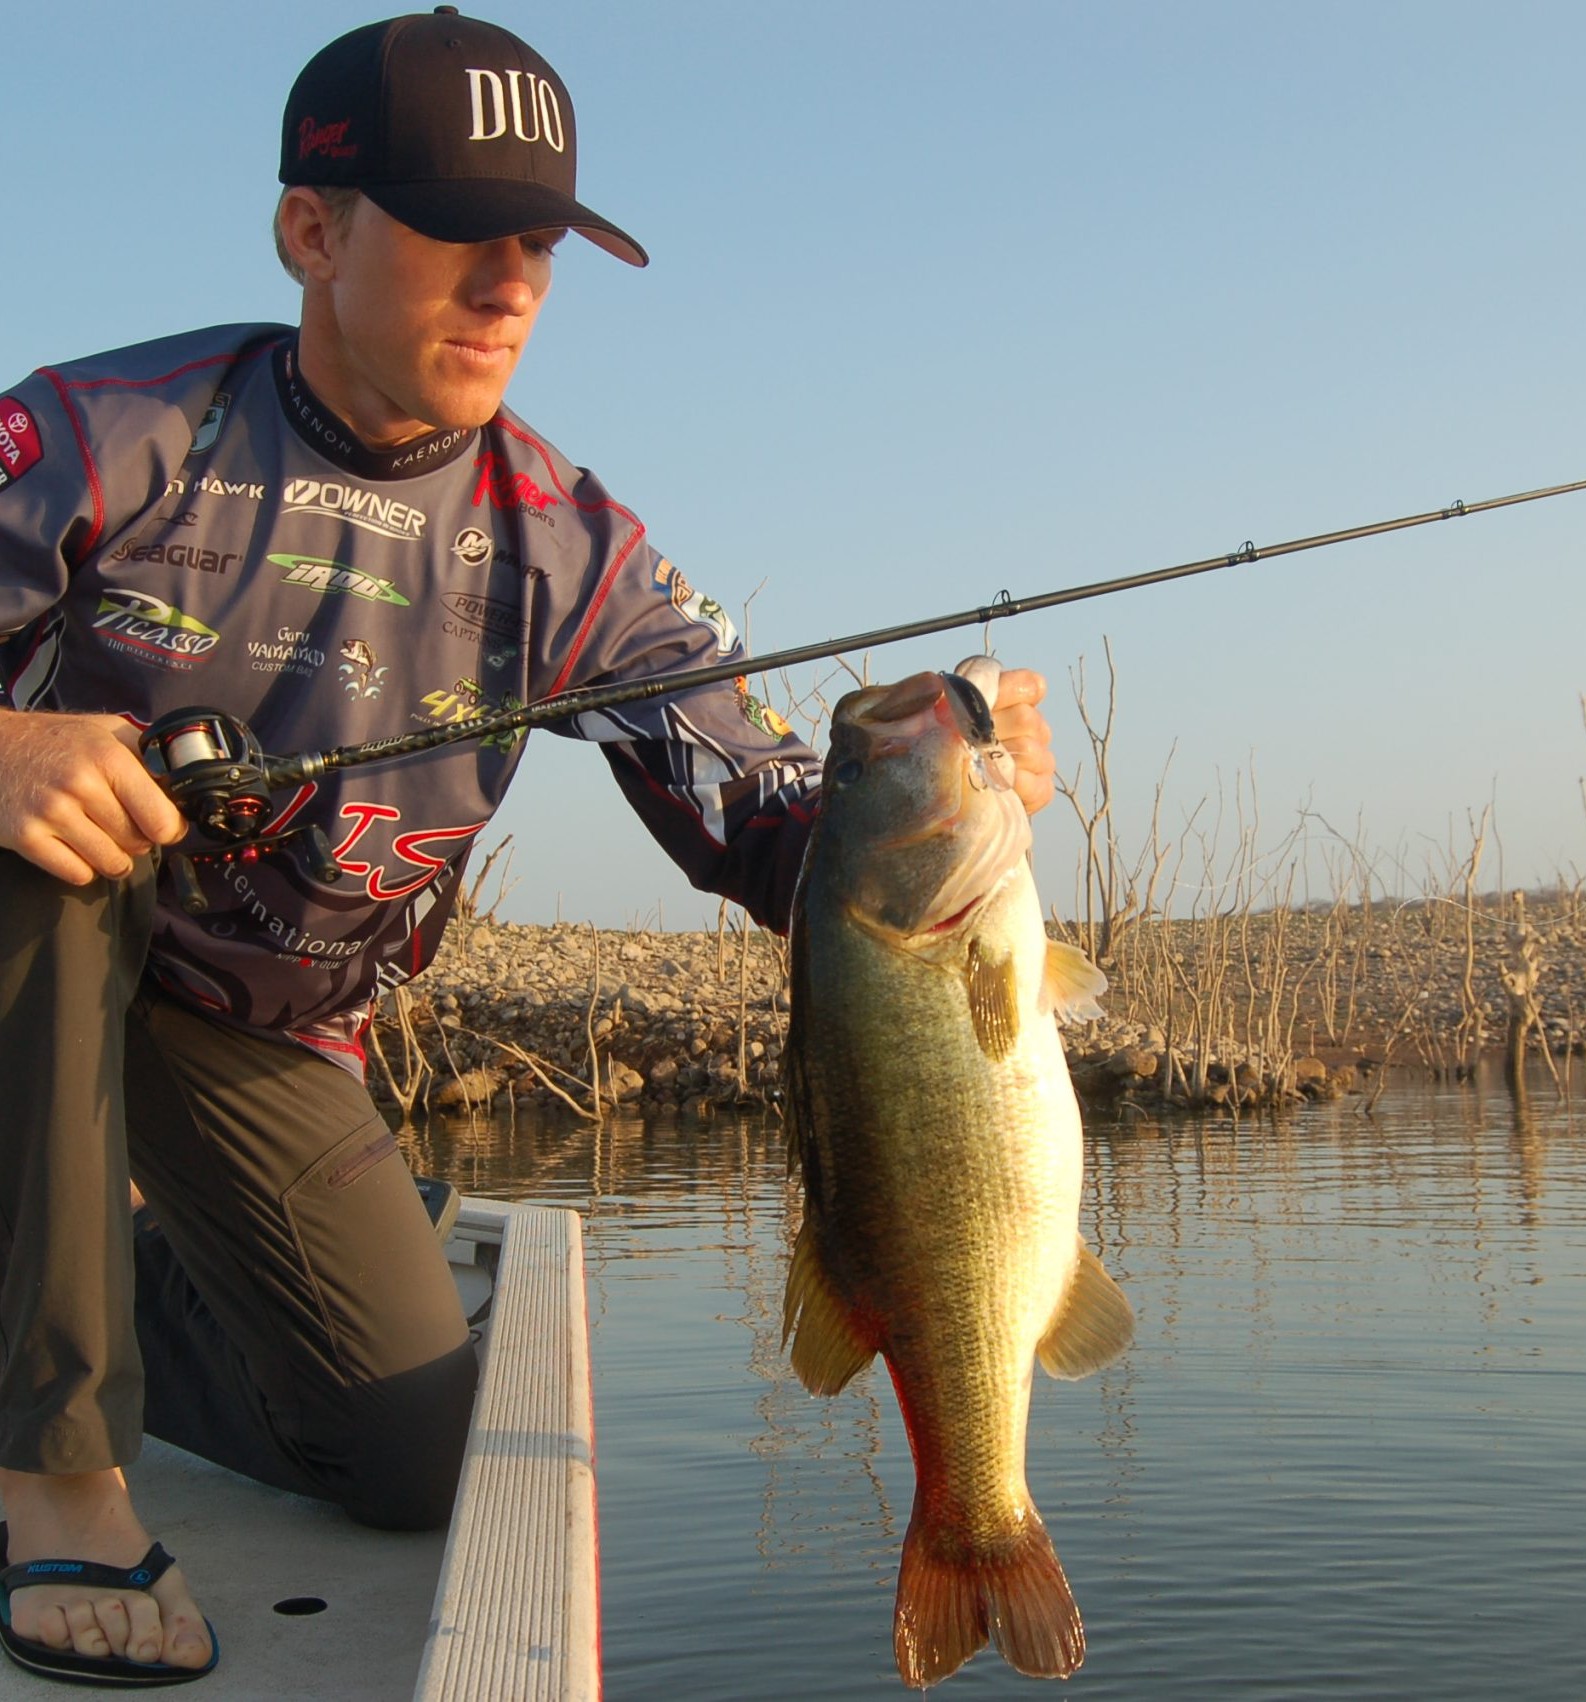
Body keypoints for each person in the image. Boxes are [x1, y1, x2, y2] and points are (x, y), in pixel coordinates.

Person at [0, 6, 1057, 1685]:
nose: (511, 287)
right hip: (37, 960)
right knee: (46, 831)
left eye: (543, 247)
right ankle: (54, 1468)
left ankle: (69, 1302)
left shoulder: (568, 549)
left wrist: (946, 795)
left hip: (248, 1029)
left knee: (413, 1459)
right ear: (310, 230)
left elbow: (770, 827)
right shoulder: (99, 435)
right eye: (457, 233)